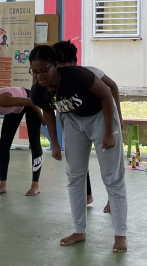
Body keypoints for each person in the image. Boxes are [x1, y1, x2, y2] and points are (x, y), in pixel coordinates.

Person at [29, 44, 128, 252]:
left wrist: (109, 132)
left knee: (112, 176)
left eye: (44, 70)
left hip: (101, 117)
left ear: (55, 65)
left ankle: (120, 234)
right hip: (74, 121)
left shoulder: (78, 75)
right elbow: (48, 113)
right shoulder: (38, 90)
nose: (39, 76)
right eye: (35, 71)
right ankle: (79, 230)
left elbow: (106, 95)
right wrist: (55, 143)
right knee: (74, 176)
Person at [54, 40, 122, 210]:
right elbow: (62, 104)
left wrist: (118, 118)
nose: (63, 72)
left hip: (100, 119)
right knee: (78, 167)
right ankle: (87, 195)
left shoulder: (89, 72)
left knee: (109, 167)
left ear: (74, 63)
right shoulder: (56, 78)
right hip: (76, 122)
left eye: (65, 67)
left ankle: (112, 198)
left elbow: (112, 87)